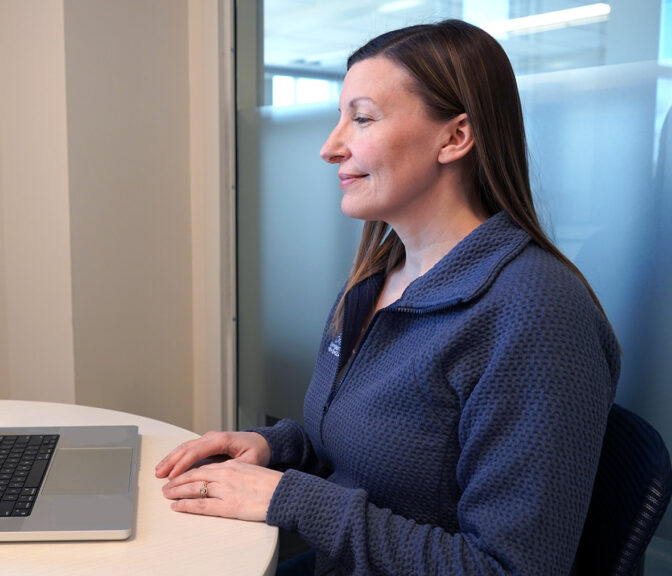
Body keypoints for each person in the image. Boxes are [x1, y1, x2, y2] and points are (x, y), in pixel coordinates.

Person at [156, 19, 620, 576]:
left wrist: (289, 497)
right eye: (339, 118)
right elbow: (379, 450)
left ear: (455, 137)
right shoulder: (379, 277)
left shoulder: (537, 314)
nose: (331, 148)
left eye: (363, 118)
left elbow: (509, 568)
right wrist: (278, 448)